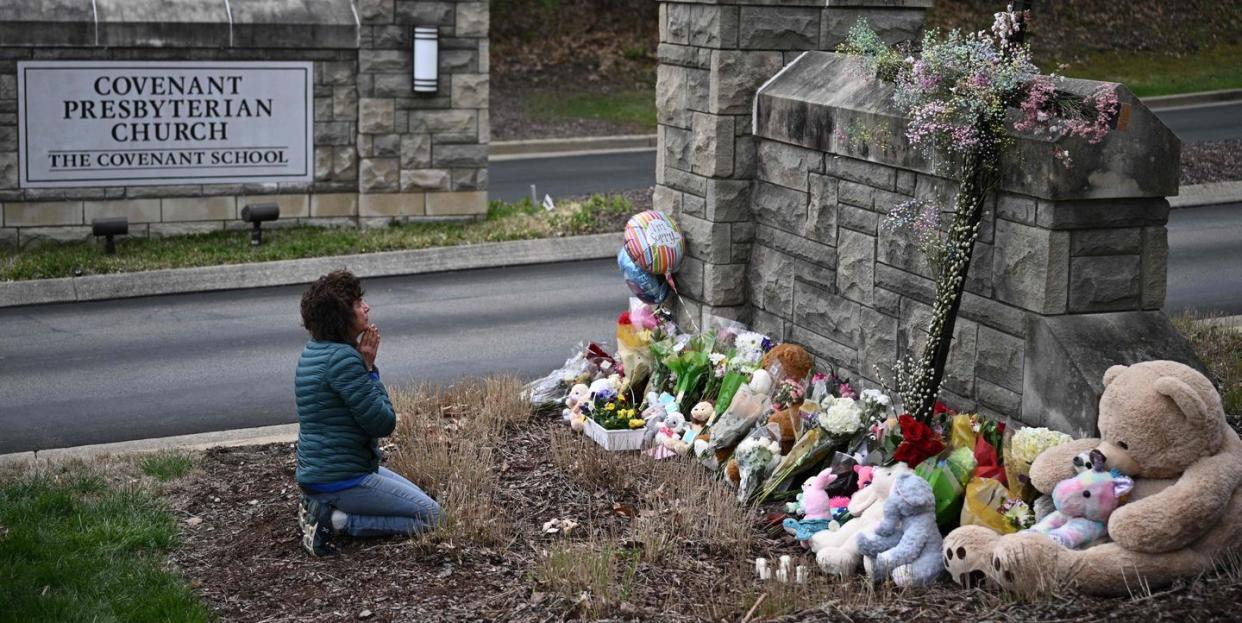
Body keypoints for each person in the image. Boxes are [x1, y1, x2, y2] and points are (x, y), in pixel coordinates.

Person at [294, 270, 441, 556]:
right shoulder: (345, 360)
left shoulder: (316, 350)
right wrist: (369, 369)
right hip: (341, 478)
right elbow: (382, 423)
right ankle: (335, 522)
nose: (366, 307)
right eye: (357, 302)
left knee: (426, 501)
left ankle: (318, 504)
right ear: (341, 317)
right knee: (435, 518)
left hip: (324, 472)